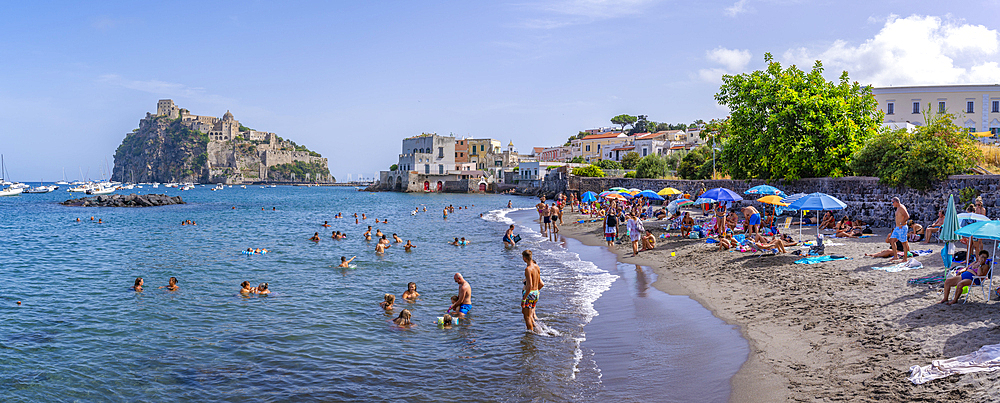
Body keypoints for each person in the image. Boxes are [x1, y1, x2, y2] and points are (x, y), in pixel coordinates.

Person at [522, 250, 544, 332]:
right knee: (526, 313)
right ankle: (538, 329)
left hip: (529, 294)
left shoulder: (528, 269)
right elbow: (541, 283)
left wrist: (524, 299)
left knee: (527, 317)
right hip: (536, 293)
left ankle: (530, 336)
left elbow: (529, 285)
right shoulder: (536, 266)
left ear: (524, 258)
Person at [887, 197, 910, 263]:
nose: (892, 204)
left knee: (904, 243)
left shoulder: (901, 207)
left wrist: (901, 223)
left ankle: (905, 258)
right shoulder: (898, 208)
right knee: (892, 240)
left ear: (896, 202)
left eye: (892, 202)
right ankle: (895, 256)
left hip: (902, 227)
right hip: (897, 227)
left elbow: (907, 216)